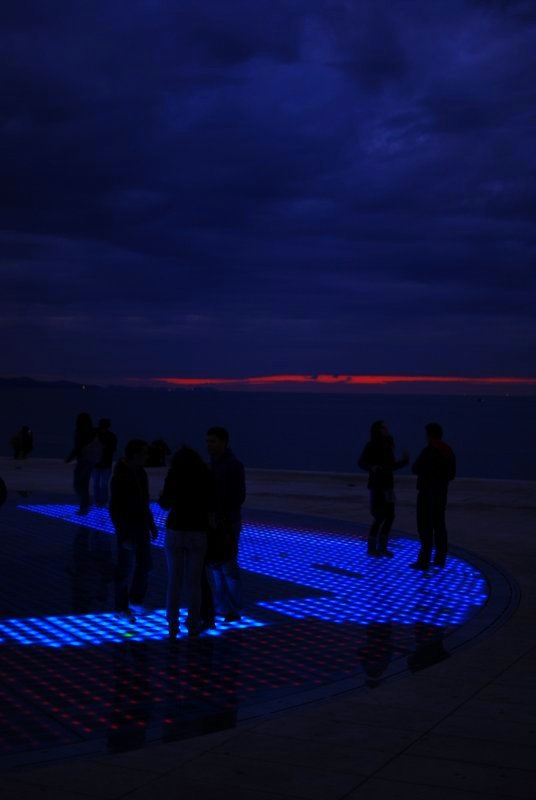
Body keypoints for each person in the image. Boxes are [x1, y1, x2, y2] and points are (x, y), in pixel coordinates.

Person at [159, 446, 215, 639]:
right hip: (197, 530)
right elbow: (211, 504)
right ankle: (193, 623)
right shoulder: (204, 475)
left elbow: (164, 503)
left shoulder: (173, 475)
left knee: (174, 580)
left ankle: (172, 623)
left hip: (175, 528)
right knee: (194, 582)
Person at [109, 439, 158, 621]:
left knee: (144, 565)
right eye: (145, 453)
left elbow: (144, 501)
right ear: (136, 454)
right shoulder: (120, 476)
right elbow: (115, 508)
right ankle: (121, 607)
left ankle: (135, 601)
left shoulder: (140, 473)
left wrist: (151, 524)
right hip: (128, 530)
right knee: (125, 568)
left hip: (141, 527)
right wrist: (123, 533)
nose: (147, 456)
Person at [206, 426, 246, 622]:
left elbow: (238, 496)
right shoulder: (215, 464)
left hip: (227, 522)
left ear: (224, 442)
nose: (208, 445)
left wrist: (223, 516)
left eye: (212, 441)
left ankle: (233, 608)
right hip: (217, 522)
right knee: (218, 565)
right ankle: (223, 606)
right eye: (208, 441)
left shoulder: (232, 465)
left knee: (226, 565)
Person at [358, 420, 409, 557]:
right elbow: (361, 462)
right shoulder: (371, 446)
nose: (386, 430)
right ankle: (372, 547)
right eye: (383, 428)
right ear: (377, 431)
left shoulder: (388, 446)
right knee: (379, 516)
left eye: (386, 428)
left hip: (388, 486)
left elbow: (391, 466)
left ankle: (382, 546)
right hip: (377, 486)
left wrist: (403, 462)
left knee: (390, 516)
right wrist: (372, 467)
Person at [411, 422, 456, 569]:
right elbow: (452, 474)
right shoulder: (448, 450)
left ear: (429, 435)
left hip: (426, 493)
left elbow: (416, 468)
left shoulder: (429, 450)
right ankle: (440, 558)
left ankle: (424, 560)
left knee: (425, 527)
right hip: (441, 493)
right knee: (439, 526)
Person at [65, 413, 102, 515]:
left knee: (78, 485)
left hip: (83, 460)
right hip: (91, 461)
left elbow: (78, 447)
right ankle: (85, 505)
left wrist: (69, 458)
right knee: (84, 484)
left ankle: (85, 504)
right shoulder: (94, 431)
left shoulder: (80, 432)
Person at [93, 418, 118, 507]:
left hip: (97, 463)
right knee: (103, 484)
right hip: (105, 463)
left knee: (97, 483)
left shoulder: (95, 434)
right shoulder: (111, 436)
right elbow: (113, 449)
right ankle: (102, 501)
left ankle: (99, 501)